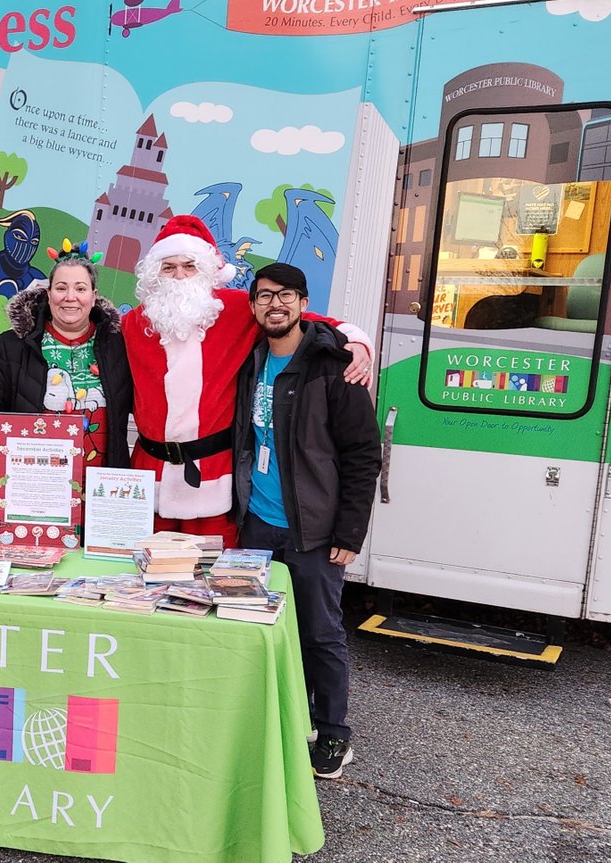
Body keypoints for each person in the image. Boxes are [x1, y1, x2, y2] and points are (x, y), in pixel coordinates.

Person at [122, 215, 374, 546]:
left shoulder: (237, 309)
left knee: (210, 581)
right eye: (169, 267)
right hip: (150, 474)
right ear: (155, 273)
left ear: (208, 271)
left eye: (189, 266)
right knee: (144, 578)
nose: (179, 276)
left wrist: (353, 340)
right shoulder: (133, 323)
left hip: (214, 477)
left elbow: (302, 320)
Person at [232, 262, 382, 780]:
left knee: (321, 633)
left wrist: (349, 532)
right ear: (252, 306)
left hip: (313, 531)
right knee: (262, 630)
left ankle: (334, 734)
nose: (275, 305)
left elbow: (364, 453)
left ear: (302, 302)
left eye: (286, 296)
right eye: (265, 296)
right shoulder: (250, 361)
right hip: (257, 526)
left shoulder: (332, 365)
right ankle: (283, 723)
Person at [0, 240, 132, 535]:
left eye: (80, 289)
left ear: (94, 296)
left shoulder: (118, 347)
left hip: (101, 498)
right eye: (61, 288)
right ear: (48, 293)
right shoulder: (12, 347)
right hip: (32, 495)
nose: (70, 297)